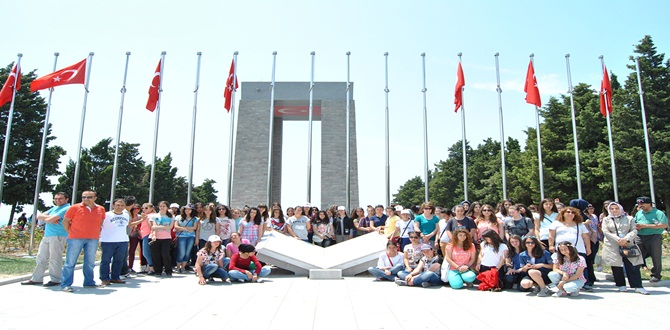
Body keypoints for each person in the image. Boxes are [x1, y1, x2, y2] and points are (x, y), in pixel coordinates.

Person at [60, 191, 106, 292]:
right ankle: (66, 284)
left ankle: (89, 282)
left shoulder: (101, 209)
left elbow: (101, 222)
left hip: (93, 239)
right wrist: (71, 232)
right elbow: (65, 222)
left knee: (90, 262)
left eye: (89, 197)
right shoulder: (74, 208)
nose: (86, 199)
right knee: (70, 262)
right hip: (75, 238)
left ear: (95, 198)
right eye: (83, 197)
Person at [22, 192, 71, 287]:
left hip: (58, 236)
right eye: (56, 199)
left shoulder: (67, 208)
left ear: (66, 199)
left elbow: (47, 220)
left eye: (60, 198)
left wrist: (49, 219)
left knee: (55, 258)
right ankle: (37, 278)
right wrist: (50, 218)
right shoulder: (55, 208)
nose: (57, 200)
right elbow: (39, 216)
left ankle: (56, 279)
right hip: (47, 235)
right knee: (41, 257)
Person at [602, 202, 648, 294]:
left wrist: (626, 239)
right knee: (616, 264)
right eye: (612, 209)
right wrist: (619, 239)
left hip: (628, 244)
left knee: (633, 265)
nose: (614, 210)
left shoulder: (629, 218)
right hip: (613, 244)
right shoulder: (606, 220)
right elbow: (606, 231)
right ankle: (621, 285)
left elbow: (634, 230)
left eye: (616, 208)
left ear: (621, 209)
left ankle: (637, 285)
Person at [548, 206, 591, 290]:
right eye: (568, 212)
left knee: (581, 267)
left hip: (578, 249)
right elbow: (551, 235)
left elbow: (586, 237)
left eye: (572, 212)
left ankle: (584, 284)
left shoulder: (580, 224)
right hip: (561, 250)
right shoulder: (556, 223)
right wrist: (551, 245)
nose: (570, 214)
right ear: (563, 213)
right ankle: (561, 285)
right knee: (561, 267)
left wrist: (588, 248)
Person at [634, 196, 668, 282]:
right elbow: (634, 222)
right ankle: (634, 273)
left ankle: (656, 275)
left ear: (649, 203)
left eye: (642, 203)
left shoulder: (658, 213)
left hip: (654, 236)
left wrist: (645, 226)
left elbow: (663, 225)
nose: (640, 205)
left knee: (655, 256)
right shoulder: (639, 213)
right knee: (636, 255)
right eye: (639, 204)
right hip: (640, 236)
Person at [97, 198, 131, 286]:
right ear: (113, 205)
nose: (120, 207)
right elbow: (99, 225)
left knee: (119, 260)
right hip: (108, 241)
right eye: (118, 205)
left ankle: (115, 277)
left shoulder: (126, 215)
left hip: (123, 240)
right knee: (105, 260)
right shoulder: (106, 215)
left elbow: (128, 226)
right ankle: (104, 278)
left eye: (122, 205)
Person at [149, 201, 175, 277]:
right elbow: (153, 227)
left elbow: (170, 227)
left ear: (167, 207)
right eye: (160, 206)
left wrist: (159, 227)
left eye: (164, 206)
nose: (162, 208)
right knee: (155, 254)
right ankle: (158, 270)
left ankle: (168, 270)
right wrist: (154, 235)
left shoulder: (171, 217)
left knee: (166, 254)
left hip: (166, 238)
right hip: (155, 237)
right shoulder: (154, 216)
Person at [175, 204, 198, 274]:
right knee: (182, 252)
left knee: (187, 253)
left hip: (191, 236)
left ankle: (183, 267)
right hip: (181, 236)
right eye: (186, 209)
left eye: (189, 209)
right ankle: (178, 267)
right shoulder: (178, 217)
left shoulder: (194, 218)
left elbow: (194, 227)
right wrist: (186, 229)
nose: (187, 211)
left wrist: (182, 228)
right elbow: (176, 226)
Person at [138, 203, 155, 274]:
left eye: (146, 208)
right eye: (143, 208)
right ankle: (148, 268)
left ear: (151, 208)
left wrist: (145, 218)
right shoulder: (146, 215)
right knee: (146, 252)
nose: (144, 209)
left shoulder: (151, 216)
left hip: (148, 235)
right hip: (144, 234)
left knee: (146, 252)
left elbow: (151, 225)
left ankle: (152, 267)